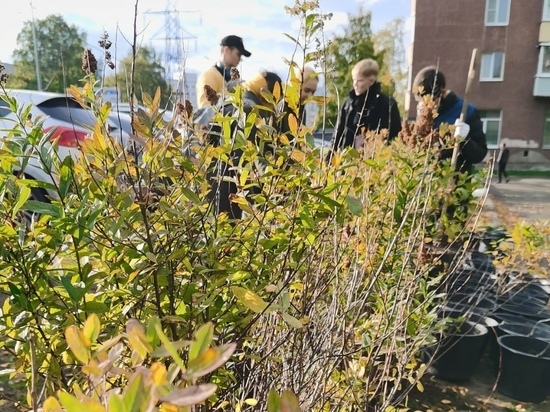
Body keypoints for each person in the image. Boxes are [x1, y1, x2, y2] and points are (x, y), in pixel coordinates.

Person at [206, 70, 283, 219]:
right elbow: (246, 160)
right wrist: (261, 200)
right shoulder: (251, 110)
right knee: (229, 234)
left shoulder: (230, 101)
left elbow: (210, 138)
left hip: (215, 177)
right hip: (231, 185)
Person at [412, 66, 487, 174]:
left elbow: (479, 154)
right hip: (426, 183)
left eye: (431, 101)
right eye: (422, 102)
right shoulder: (424, 113)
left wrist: (465, 140)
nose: (426, 106)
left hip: (454, 183)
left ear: (442, 91)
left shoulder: (466, 111)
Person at [329, 58, 401, 156]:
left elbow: (394, 136)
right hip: (346, 161)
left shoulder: (387, 104)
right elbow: (337, 135)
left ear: (371, 81)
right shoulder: (347, 104)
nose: (355, 84)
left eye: (359, 81)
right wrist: (329, 160)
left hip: (375, 161)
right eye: (354, 80)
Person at [196, 35, 251, 109]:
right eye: (238, 54)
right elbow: (205, 110)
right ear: (226, 50)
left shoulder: (234, 81)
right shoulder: (209, 75)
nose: (240, 59)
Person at [277, 66, 319, 135]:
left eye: (313, 92)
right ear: (295, 85)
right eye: (306, 90)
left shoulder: (302, 110)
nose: (310, 96)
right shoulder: (281, 108)